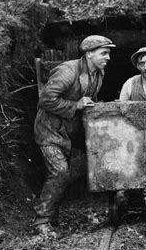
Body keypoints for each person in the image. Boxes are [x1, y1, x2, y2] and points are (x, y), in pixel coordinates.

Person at [33, 35, 115, 235]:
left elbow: (90, 98)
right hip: (50, 130)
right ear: (89, 54)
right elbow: (46, 99)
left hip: (70, 133)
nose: (108, 58)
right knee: (60, 171)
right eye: (103, 53)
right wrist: (75, 105)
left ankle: (54, 216)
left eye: (109, 53)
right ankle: (41, 222)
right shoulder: (68, 71)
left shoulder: (98, 73)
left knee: (86, 163)